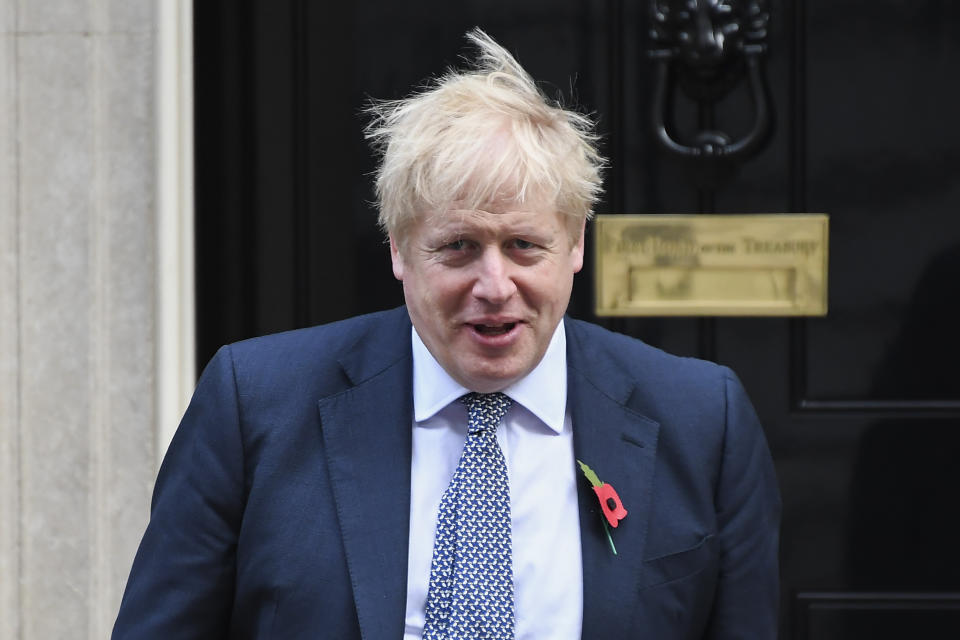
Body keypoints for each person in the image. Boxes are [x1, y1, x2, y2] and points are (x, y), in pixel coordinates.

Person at [113, 29, 780, 640]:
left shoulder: (702, 420)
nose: (494, 285)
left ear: (575, 244)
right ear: (400, 250)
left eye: (524, 245)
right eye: (458, 247)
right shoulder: (254, 404)